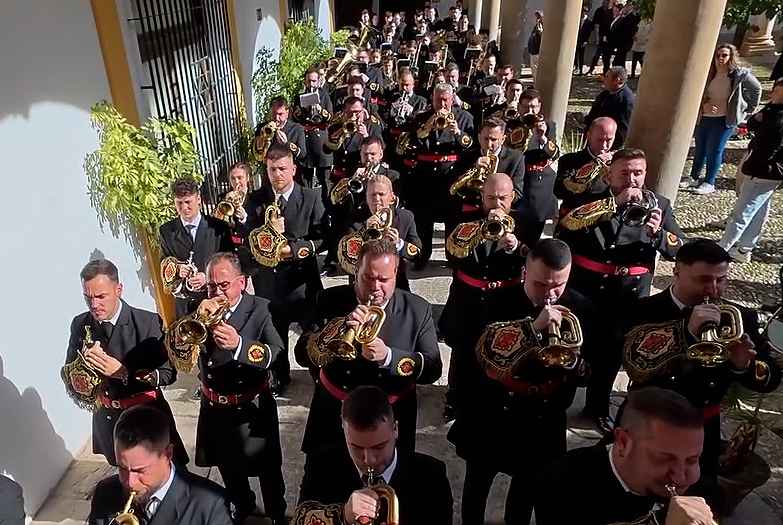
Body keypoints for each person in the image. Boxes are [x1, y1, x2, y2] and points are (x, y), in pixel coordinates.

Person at [451, 239, 595, 524]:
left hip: (543, 417)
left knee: (526, 494)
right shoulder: (495, 302)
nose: (550, 294)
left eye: (558, 285)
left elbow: (589, 373)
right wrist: (534, 328)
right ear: (525, 273)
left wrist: (574, 363)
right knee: (477, 486)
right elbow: (478, 360)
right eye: (541, 284)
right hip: (492, 410)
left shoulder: (582, 308)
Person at [621, 239, 781, 494]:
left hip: (702, 429)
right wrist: (685, 332)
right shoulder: (642, 310)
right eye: (703, 279)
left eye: (721, 279)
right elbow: (634, 364)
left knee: (693, 495)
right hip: (648, 423)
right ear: (676, 272)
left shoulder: (739, 317)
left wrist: (743, 366)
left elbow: (770, 379)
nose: (713, 289)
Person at [556, 148, 685, 432]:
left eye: (638, 172)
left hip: (627, 296)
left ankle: (597, 409)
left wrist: (658, 235)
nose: (632, 179)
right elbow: (563, 235)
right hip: (586, 292)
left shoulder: (659, 205)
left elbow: (682, 250)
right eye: (624, 173)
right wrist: (612, 205)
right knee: (573, 350)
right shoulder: (588, 201)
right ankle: (556, 405)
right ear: (609, 174)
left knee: (610, 357)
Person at [295, 239, 442, 457]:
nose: (375, 287)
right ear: (356, 271)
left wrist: (388, 357)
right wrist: (334, 333)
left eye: (384, 279)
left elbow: (432, 369)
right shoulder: (328, 299)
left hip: (390, 417)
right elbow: (301, 355)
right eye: (368, 278)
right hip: (334, 412)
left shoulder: (417, 309)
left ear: (396, 272)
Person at [181, 252, 288, 524]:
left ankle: (276, 513)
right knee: (229, 467)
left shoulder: (261, 308)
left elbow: (276, 352)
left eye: (224, 285)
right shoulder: (199, 310)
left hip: (252, 406)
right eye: (211, 285)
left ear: (241, 282)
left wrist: (240, 346)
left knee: (268, 469)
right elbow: (181, 351)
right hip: (215, 406)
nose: (217, 291)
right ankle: (243, 506)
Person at [63, 259, 188, 466]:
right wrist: (83, 369)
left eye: (101, 296)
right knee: (125, 479)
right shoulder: (80, 324)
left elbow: (167, 374)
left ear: (119, 289)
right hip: (108, 418)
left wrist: (123, 372)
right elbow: (69, 373)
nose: (94, 305)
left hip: (146, 417)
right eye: (88, 297)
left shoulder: (147, 322)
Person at [535, 387, 715, 525]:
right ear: (622, 443)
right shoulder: (561, 484)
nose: (681, 476)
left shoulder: (700, 488)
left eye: (692, 460)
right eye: (664, 458)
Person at [295, 385, 453, 525]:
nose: (368, 460)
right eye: (356, 447)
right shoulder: (320, 465)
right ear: (343, 430)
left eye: (379, 447)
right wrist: (342, 515)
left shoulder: (432, 475)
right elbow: (299, 519)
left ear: (395, 429)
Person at [440, 173, 526, 419]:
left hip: (505, 299)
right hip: (467, 297)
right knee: (463, 351)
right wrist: (479, 232)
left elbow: (535, 260)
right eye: (490, 198)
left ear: (512, 198)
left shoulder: (525, 221)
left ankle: (497, 396)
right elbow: (453, 256)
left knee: (502, 349)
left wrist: (516, 246)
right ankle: (455, 398)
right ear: (481, 197)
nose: (496, 204)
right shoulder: (464, 219)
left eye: (502, 198)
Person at [245, 144, 327, 395]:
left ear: (293, 168)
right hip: (269, 284)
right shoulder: (257, 200)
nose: (277, 174)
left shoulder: (310, 197)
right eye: (271, 169)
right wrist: (268, 234)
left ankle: (318, 373)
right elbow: (248, 237)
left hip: (303, 282)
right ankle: (280, 376)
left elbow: (323, 236)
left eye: (282, 168)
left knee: (313, 332)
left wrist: (293, 248)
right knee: (274, 334)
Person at [88, 405, 233, 525]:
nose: (130, 482)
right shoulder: (104, 492)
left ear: (168, 454)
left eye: (140, 470)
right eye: (122, 468)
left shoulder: (212, 505)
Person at [397, 82, 475, 266]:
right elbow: (411, 141)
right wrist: (428, 125)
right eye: (438, 100)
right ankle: (422, 257)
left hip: (451, 176)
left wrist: (457, 132)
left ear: (452, 99)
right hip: (424, 178)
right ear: (432, 99)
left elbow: (471, 146)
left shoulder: (464, 117)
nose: (442, 105)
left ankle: (452, 257)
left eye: (445, 100)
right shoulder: (421, 117)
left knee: (452, 219)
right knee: (423, 219)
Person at [681, 43, 761, 195]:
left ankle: (709, 182)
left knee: (714, 150)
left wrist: (747, 109)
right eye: (718, 55)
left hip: (724, 120)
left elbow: (756, 88)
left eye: (724, 55)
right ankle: (694, 177)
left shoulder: (739, 74)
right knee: (700, 149)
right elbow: (699, 94)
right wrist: (705, 104)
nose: (720, 59)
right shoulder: (708, 73)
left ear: (731, 57)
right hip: (705, 117)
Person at [718, 78, 783, 262]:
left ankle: (723, 249)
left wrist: (757, 161)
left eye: (777, 91)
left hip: (764, 171)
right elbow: (753, 123)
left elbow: (770, 146)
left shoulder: (778, 117)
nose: (772, 94)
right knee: (759, 210)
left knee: (743, 211)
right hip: (766, 169)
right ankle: (744, 249)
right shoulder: (772, 108)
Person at [159, 178, 232, 318]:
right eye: (179, 203)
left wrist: (208, 277)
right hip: (184, 304)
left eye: (188, 202)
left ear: (198, 199)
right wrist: (177, 269)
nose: (184, 207)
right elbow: (164, 262)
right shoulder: (166, 231)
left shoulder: (219, 227)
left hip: (214, 299)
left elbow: (229, 262)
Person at [340, 174, 422, 290]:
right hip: (363, 281)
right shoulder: (354, 219)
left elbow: (417, 254)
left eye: (381, 194)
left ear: (392, 198)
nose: (376, 199)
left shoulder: (405, 217)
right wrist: (364, 232)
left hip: (395, 281)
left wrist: (399, 244)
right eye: (372, 195)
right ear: (366, 197)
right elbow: (346, 259)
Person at [555, 116, 617, 214]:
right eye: (599, 140)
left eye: (609, 140)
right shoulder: (569, 160)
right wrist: (594, 165)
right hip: (574, 219)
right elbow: (559, 191)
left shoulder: (618, 162)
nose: (604, 146)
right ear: (588, 136)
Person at [292, 67, 334, 194]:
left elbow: (331, 118)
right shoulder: (298, 97)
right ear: (305, 82)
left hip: (321, 141)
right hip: (306, 141)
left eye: (314, 81)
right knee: (304, 179)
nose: (311, 84)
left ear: (318, 81)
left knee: (325, 180)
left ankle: (327, 209)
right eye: (309, 81)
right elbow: (295, 119)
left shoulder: (324, 95)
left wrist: (320, 110)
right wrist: (301, 111)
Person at [584, 66, 635, 147]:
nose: (604, 79)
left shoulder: (626, 101)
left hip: (604, 145)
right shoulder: (606, 93)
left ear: (617, 80)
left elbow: (622, 130)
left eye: (607, 77)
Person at [255, 97, 307, 165]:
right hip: (269, 170)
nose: (277, 118)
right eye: (274, 113)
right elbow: (257, 154)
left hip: (288, 170)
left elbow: (302, 155)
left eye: (280, 114)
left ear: (287, 113)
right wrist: (262, 141)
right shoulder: (262, 128)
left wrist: (287, 144)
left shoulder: (297, 129)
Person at [587, 0, 616, 76]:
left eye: (607, 2)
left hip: (610, 38)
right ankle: (591, 69)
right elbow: (596, 25)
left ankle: (605, 72)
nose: (605, 3)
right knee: (597, 54)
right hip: (601, 36)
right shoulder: (599, 10)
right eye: (604, 2)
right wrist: (597, 38)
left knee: (607, 57)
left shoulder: (612, 11)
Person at [574, 5, 594, 75]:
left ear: (586, 13)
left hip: (583, 40)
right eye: (582, 12)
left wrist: (586, 41)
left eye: (584, 12)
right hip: (576, 40)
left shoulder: (589, 21)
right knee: (575, 54)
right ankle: (576, 67)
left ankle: (581, 70)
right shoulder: (577, 20)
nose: (583, 13)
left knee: (581, 55)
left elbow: (589, 33)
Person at [527, 11, 544, 82]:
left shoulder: (541, 26)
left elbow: (542, 35)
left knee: (536, 69)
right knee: (533, 68)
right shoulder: (536, 26)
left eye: (538, 17)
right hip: (532, 50)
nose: (537, 19)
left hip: (537, 51)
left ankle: (537, 83)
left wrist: (540, 31)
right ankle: (535, 82)